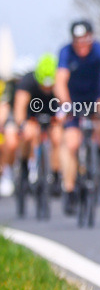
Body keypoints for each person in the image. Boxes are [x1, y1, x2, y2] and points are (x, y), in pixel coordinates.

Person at [54, 20, 100, 214]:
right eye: (77, 40)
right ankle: (69, 190)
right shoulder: (66, 51)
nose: (81, 44)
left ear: (91, 38)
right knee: (71, 143)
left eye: (85, 39)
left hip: (95, 96)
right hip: (73, 99)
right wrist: (65, 103)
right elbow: (60, 81)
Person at [11, 54, 62, 188]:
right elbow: (19, 107)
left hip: (52, 116)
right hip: (32, 116)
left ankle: (56, 174)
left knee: (58, 137)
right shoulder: (28, 81)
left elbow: (65, 103)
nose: (46, 88)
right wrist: (22, 124)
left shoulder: (60, 81)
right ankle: (24, 165)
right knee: (28, 133)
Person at [0, 56, 38, 197]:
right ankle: (8, 172)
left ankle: (34, 167)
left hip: (31, 117)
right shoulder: (9, 86)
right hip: (13, 118)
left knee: (34, 133)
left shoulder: (36, 85)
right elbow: (4, 106)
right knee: (10, 140)